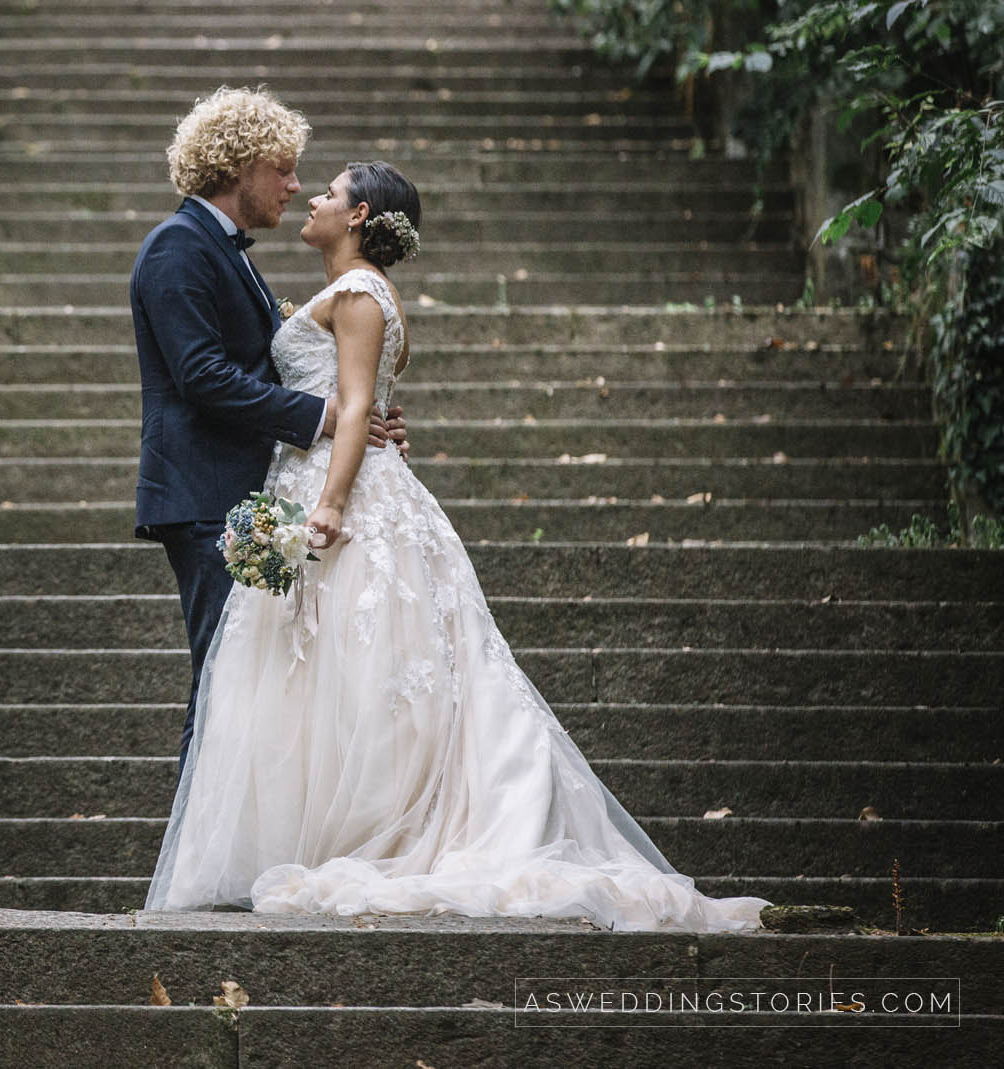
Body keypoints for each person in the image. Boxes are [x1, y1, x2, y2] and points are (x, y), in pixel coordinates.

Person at [143, 159, 771, 932]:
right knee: (325, 671)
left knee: (362, 668)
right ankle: (314, 831)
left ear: (360, 212)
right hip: (304, 476)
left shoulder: (362, 292)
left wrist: (333, 503)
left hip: (339, 498)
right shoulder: (334, 287)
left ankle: (384, 828)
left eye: (329, 192)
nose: (311, 195)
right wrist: (334, 438)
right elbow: (344, 400)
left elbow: (360, 402)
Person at [130, 88, 407, 774]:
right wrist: (327, 416)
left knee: (249, 684)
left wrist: (356, 416)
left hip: (246, 494)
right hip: (203, 498)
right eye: (282, 169)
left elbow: (273, 368)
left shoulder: (226, 253)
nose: (294, 184)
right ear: (238, 166)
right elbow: (201, 375)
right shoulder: (177, 248)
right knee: (224, 677)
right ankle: (191, 860)